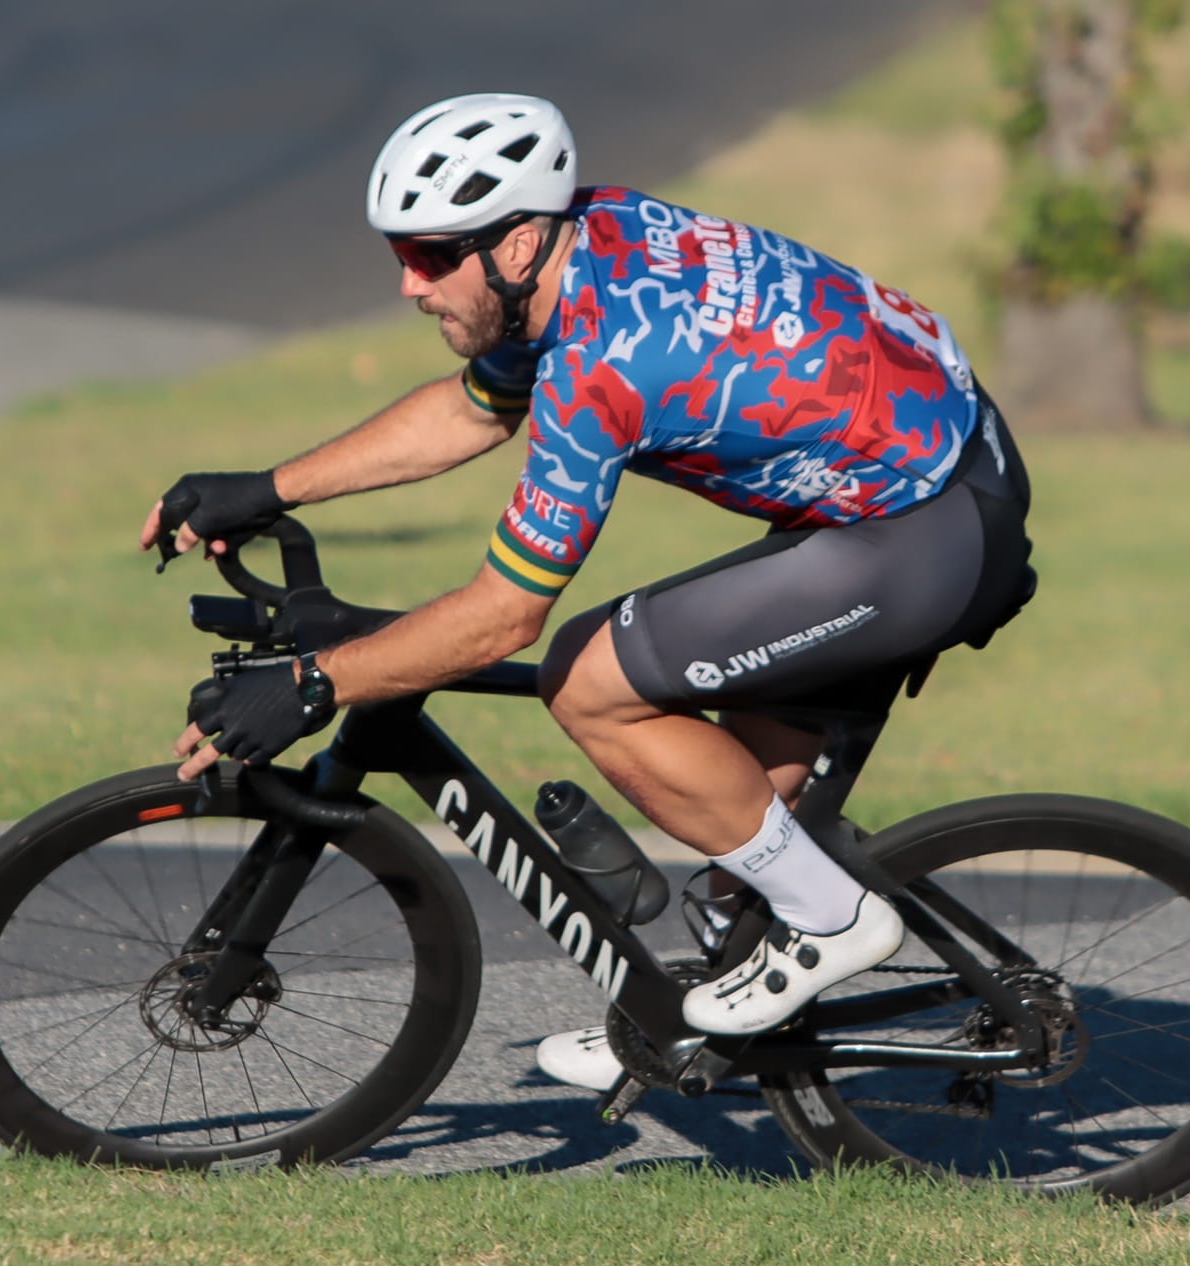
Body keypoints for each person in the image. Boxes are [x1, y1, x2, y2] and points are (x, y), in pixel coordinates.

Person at [138, 92, 1034, 1092]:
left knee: (586, 677)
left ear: (514, 247)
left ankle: (834, 920)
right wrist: (265, 487)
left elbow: (501, 614)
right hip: (917, 479)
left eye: (431, 256)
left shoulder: (608, 361)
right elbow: (473, 413)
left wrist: (312, 684)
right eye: (400, 252)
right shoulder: (585, 242)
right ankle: (687, 1013)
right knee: (739, 821)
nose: (406, 284)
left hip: (924, 530)